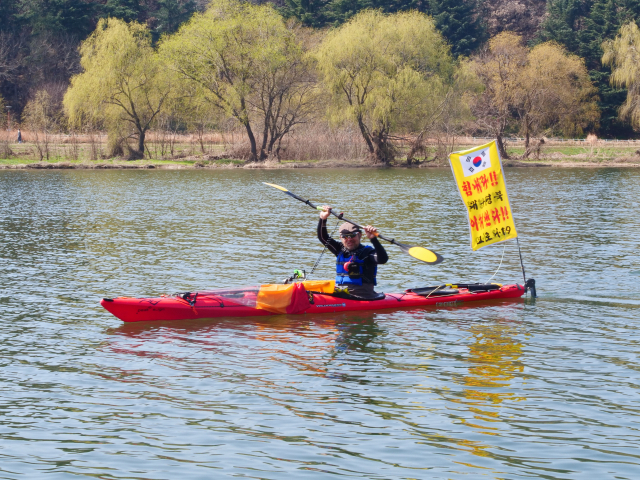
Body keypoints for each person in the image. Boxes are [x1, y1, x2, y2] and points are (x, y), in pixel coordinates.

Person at [318, 205, 388, 299]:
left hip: (364, 297)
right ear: (340, 237)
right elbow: (323, 237)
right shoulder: (339, 249)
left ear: (359, 235)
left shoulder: (368, 253)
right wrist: (323, 218)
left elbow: (383, 259)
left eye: (352, 235)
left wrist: (373, 239)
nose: (349, 239)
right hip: (342, 295)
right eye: (345, 236)